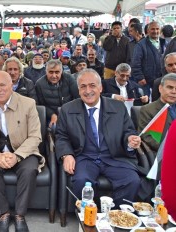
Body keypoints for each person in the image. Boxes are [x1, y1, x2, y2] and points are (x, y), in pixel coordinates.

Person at [55, 68, 141, 207]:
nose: (88, 91)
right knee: (81, 181)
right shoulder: (67, 109)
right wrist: (66, 155)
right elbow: (61, 136)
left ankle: (118, 216)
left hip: (114, 157)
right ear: (78, 90)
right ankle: (90, 217)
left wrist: (130, 140)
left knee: (132, 181)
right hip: (85, 157)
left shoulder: (118, 107)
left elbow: (128, 131)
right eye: (83, 86)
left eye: (92, 85)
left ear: (100, 88)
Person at [0, 71, 45, 232]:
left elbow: (35, 136)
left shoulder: (28, 103)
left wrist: (17, 155)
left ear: (12, 86)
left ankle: (20, 215)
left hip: (23, 151)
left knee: (30, 169)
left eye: (2, 85)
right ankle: (3, 214)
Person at [138, 73, 176, 152]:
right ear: (160, 88)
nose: (174, 92)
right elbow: (147, 137)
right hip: (163, 154)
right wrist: (170, 149)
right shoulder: (147, 110)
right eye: (170, 87)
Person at [35, 59, 79, 127]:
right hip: (50, 116)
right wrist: (52, 115)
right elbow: (41, 105)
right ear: (46, 72)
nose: (54, 76)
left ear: (61, 72)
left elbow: (78, 98)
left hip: (69, 112)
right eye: (51, 72)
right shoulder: (39, 84)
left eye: (57, 72)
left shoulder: (69, 79)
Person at [131, 21, 166, 97]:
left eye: (157, 29)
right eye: (153, 29)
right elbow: (135, 63)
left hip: (161, 79)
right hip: (145, 81)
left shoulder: (164, 43)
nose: (155, 31)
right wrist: (140, 77)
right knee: (145, 102)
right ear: (148, 31)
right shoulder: (140, 45)